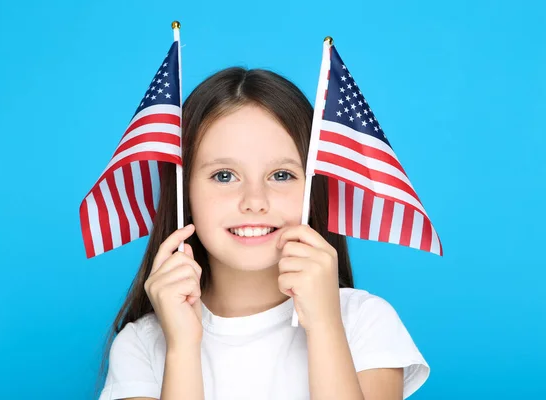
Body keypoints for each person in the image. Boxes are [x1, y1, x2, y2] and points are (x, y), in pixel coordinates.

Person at [96, 67, 430, 400]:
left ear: (311, 191)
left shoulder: (364, 322)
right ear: (185, 193)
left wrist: (326, 328)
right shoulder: (140, 345)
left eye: (281, 175)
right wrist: (182, 349)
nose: (255, 202)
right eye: (224, 176)